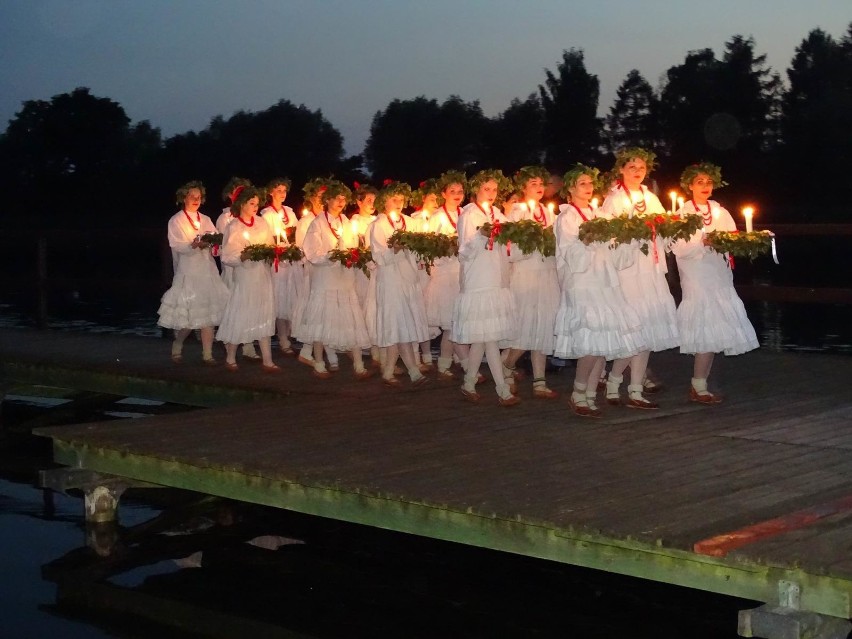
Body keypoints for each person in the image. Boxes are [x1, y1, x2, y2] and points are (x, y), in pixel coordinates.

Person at [554, 165, 646, 417]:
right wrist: (589, 239)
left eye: (590, 183)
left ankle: (590, 395)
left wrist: (629, 236)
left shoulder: (599, 214)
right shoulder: (566, 218)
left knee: (601, 343)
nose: (588, 187)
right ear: (571, 188)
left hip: (605, 283)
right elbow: (571, 256)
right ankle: (577, 392)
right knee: (590, 344)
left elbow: (616, 256)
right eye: (582, 183)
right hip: (582, 285)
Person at [672, 162, 759, 402]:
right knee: (705, 322)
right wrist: (702, 242)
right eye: (700, 182)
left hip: (718, 273)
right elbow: (678, 248)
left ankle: (700, 384)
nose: (705, 186)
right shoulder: (683, 214)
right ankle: (698, 385)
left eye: (709, 182)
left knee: (715, 324)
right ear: (690, 185)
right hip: (696, 272)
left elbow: (731, 238)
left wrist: (737, 242)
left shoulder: (721, 211)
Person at [599, 147, 678, 409]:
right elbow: (608, 236)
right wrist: (632, 236)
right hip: (628, 271)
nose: (637, 172)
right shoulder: (613, 198)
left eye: (641, 167)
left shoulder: (651, 198)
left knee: (648, 330)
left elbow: (664, 228)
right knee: (632, 330)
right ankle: (613, 381)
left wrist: (670, 227)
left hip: (650, 270)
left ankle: (634, 390)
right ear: (621, 169)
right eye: (631, 167)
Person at [452, 169, 519, 406]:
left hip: (495, 278)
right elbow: (464, 252)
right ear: (477, 190)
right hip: (478, 280)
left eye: (494, 189)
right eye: (486, 189)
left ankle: (469, 382)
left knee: (483, 336)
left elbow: (510, 240)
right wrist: (482, 235)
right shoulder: (469, 214)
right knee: (488, 337)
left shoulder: (498, 213)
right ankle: (503, 389)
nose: (491, 194)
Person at [297, 181, 373, 380]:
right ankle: (320, 362)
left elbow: (352, 245)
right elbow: (312, 253)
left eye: (343, 198)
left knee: (350, 317)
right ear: (327, 199)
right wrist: (331, 256)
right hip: (324, 278)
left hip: (344, 278)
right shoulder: (317, 223)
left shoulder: (346, 222)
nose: (341, 201)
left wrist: (351, 254)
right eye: (337, 197)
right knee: (321, 319)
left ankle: (358, 364)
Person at [502, 166, 560, 399]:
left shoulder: (549, 211)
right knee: (525, 326)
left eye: (540, 184)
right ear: (523, 188)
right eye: (533, 184)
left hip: (547, 273)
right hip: (525, 274)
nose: (538, 188)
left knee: (543, 326)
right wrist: (532, 243)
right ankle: (507, 365)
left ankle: (539, 381)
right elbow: (509, 249)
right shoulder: (516, 212)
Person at [157, 181, 230, 365]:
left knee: (209, 315)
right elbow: (177, 244)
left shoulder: (205, 219)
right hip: (189, 271)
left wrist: (213, 243)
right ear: (184, 198)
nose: (196, 200)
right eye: (192, 196)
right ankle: (178, 343)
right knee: (189, 320)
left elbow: (215, 238)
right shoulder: (176, 220)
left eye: (199, 197)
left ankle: (207, 354)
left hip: (207, 271)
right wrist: (193, 245)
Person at [368, 180, 430, 387]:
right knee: (396, 324)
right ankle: (410, 371)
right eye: (395, 199)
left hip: (409, 280)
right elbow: (379, 257)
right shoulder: (378, 225)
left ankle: (394, 371)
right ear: (385, 201)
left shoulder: (410, 223)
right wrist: (393, 249)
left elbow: (418, 248)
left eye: (402, 200)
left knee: (405, 324)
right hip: (390, 280)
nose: (399, 204)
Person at [215, 185, 279, 372]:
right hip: (244, 276)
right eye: (252, 203)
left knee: (264, 313)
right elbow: (226, 256)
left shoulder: (262, 223)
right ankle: (230, 357)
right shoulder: (234, 226)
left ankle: (267, 360)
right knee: (241, 313)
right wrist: (242, 256)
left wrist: (270, 252)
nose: (255, 207)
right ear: (242, 204)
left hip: (261, 275)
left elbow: (270, 245)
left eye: (257, 204)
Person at [291, 178, 340, 372]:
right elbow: (303, 251)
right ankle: (320, 352)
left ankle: (314, 350)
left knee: (327, 311)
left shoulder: (333, 220)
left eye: (324, 197)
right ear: (312, 198)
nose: (322, 200)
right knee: (317, 312)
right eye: (319, 197)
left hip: (330, 271)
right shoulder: (306, 222)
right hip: (313, 272)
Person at [424, 170, 469, 379]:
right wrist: (448, 249)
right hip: (444, 275)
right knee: (452, 324)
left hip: (462, 274)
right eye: (453, 191)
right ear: (444, 193)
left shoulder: (465, 214)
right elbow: (430, 251)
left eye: (460, 190)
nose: (457, 194)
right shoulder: (437, 217)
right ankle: (469, 367)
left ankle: (444, 364)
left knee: (455, 324)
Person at [216, 176, 259, 360]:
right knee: (233, 308)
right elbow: (225, 245)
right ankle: (229, 343)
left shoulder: (254, 219)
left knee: (249, 307)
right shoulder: (225, 218)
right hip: (232, 269)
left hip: (250, 271)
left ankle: (248, 345)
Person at [259, 177, 299, 356]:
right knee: (280, 300)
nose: (282, 194)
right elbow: (265, 239)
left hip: (291, 262)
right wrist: (275, 249)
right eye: (279, 191)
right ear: (271, 193)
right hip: (277, 265)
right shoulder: (266, 215)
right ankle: (282, 339)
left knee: (292, 299)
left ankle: (290, 335)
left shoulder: (289, 212)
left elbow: (296, 234)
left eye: (284, 191)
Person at [409, 178, 442, 371]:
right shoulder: (415, 220)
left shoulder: (442, 218)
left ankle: (429, 353)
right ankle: (416, 355)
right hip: (421, 272)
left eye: (437, 199)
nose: (435, 202)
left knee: (429, 315)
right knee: (418, 313)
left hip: (437, 271)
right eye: (431, 199)